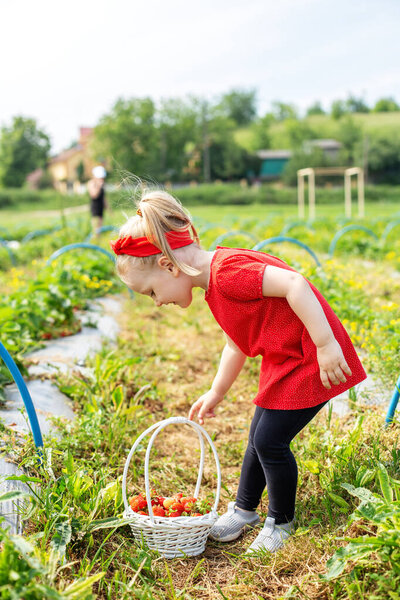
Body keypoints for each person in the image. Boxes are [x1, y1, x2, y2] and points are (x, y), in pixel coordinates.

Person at [110, 189, 367, 554]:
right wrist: (216, 391)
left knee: (269, 442)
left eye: (151, 292)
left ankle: (281, 521)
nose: (157, 302)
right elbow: (236, 342)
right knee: (257, 436)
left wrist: (326, 345)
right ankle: (244, 509)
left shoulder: (227, 274)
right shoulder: (214, 285)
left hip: (310, 355)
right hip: (285, 357)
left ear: (168, 266)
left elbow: (295, 283)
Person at [88, 165, 107, 234]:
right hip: (95, 207)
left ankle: (98, 239)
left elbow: (104, 197)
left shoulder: (102, 184)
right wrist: (99, 186)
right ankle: (95, 239)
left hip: (101, 207)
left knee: (100, 227)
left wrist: (108, 208)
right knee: (95, 227)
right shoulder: (91, 183)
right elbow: (94, 195)